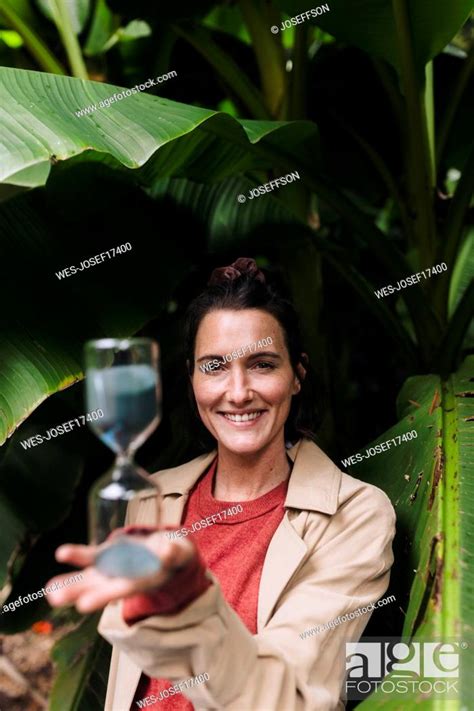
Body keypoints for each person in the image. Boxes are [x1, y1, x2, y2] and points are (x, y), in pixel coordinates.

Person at [47, 257, 396, 710]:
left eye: (263, 364)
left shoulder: (355, 514)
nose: (237, 392)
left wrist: (192, 602)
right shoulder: (150, 497)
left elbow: (289, 696)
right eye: (214, 367)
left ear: (297, 376)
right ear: (191, 377)